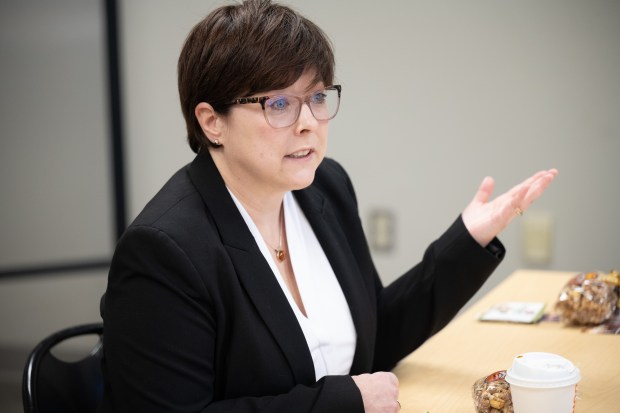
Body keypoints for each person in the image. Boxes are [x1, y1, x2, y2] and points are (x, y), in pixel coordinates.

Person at [100, 1, 558, 412]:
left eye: (317, 98)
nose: (308, 124)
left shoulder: (325, 189)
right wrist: (346, 401)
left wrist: (469, 238)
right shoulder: (164, 250)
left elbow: (376, 335)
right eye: (279, 103)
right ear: (211, 121)